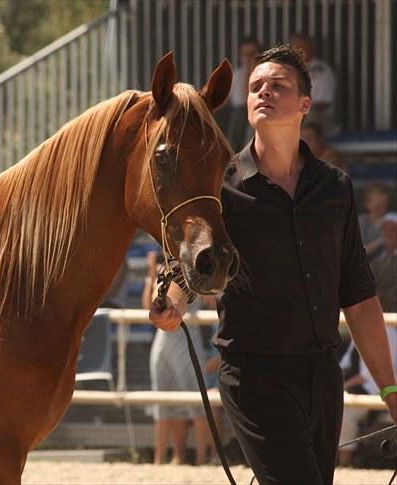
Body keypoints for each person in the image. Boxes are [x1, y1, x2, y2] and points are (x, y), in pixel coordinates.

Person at [149, 44, 397, 485]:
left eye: (278, 86)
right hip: (254, 374)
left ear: (305, 104)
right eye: (256, 86)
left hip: (323, 378)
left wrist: (391, 391)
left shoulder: (335, 188)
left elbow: (358, 298)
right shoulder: (221, 187)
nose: (264, 92)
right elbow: (195, 266)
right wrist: (171, 301)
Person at [143, 251, 213, 465]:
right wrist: (151, 273)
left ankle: (202, 458)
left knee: (197, 400)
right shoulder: (164, 269)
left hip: (187, 337)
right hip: (163, 341)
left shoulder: (199, 268)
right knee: (162, 402)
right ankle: (161, 458)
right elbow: (148, 306)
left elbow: (209, 299)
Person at [339, 212, 397, 466]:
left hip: (379, 318)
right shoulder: (379, 259)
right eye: (384, 230)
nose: (388, 235)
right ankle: (344, 463)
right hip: (371, 315)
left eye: (392, 230)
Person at [291, 33, 339, 135]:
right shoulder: (287, 71)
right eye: (295, 48)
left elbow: (321, 104)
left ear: (311, 48)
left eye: (302, 47)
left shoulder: (321, 71)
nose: (298, 51)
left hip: (319, 119)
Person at [221, 37, 260, 151]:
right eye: (245, 54)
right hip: (235, 115)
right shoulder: (236, 75)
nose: (248, 58)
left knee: (243, 111)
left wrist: (249, 72)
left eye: (252, 54)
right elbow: (226, 99)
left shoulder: (264, 75)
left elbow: (245, 98)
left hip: (254, 113)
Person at [358, 183, 391, 262]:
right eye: (378, 207)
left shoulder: (391, 222)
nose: (383, 210)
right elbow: (359, 253)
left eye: (385, 206)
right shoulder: (359, 222)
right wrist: (382, 239)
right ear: (367, 204)